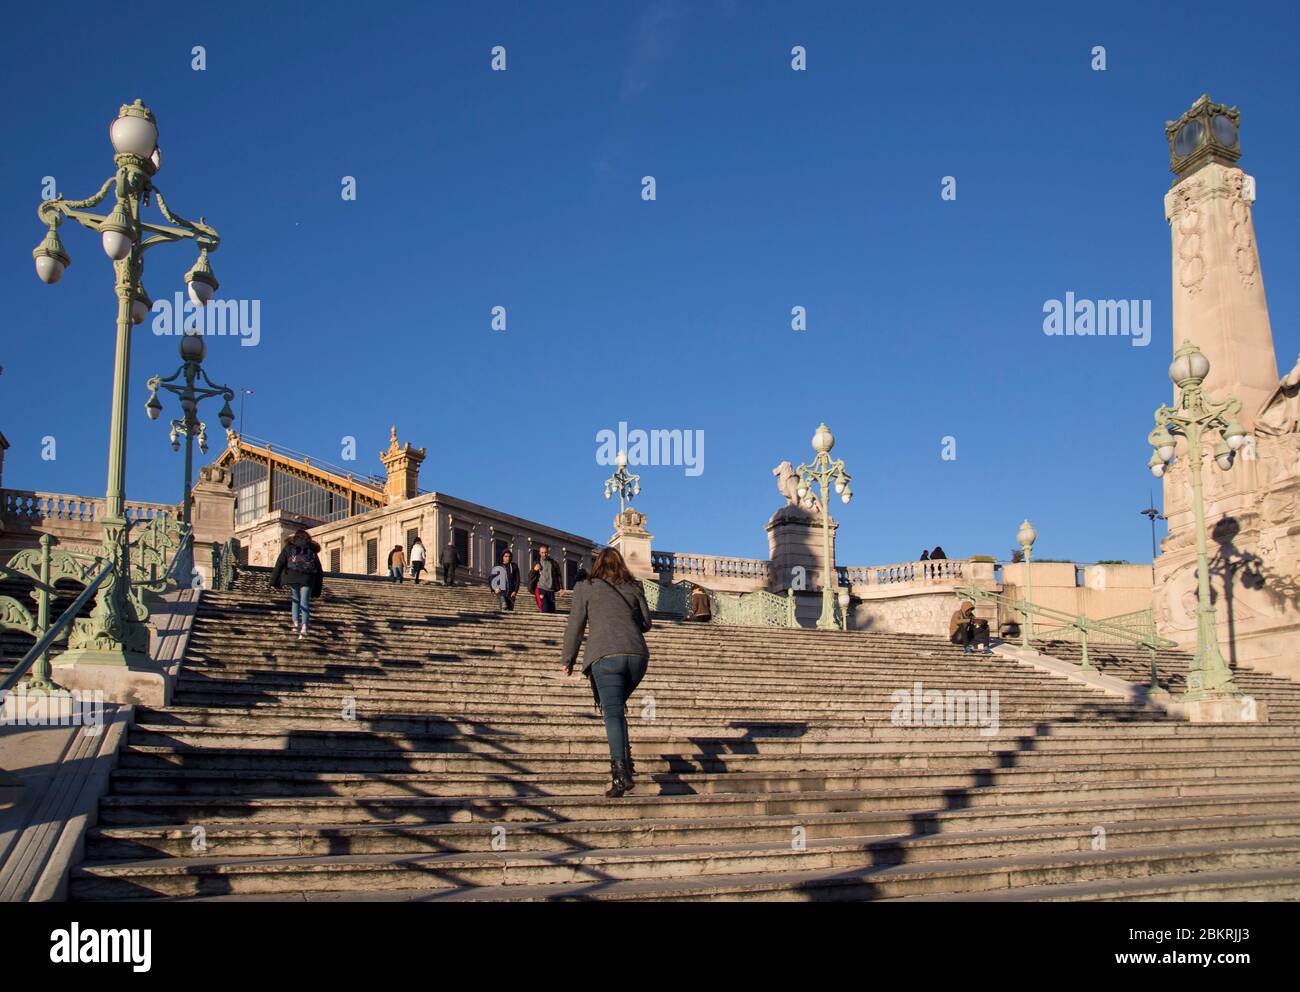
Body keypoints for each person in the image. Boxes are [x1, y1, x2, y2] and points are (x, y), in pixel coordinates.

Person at [561, 547, 653, 798]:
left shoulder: (586, 587)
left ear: (597, 565)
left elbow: (575, 625)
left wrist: (567, 659)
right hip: (637, 656)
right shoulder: (634, 586)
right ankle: (627, 762)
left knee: (612, 713)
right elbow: (647, 623)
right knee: (617, 709)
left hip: (605, 655)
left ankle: (621, 774)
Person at [271, 529, 323, 639]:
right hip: (308, 577)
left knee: (295, 599)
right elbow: (319, 570)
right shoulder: (311, 549)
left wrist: (273, 581)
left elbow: (279, 563)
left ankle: (295, 624)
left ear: (295, 537)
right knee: (305, 602)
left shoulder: (289, 547)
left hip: (292, 576)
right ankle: (304, 627)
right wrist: (317, 589)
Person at [529, 544, 562, 613]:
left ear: (548, 552)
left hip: (551, 590)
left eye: (546, 552)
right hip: (541, 588)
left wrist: (561, 588)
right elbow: (530, 575)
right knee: (545, 609)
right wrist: (534, 570)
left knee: (552, 611)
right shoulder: (536, 562)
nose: (544, 554)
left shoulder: (554, 563)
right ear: (539, 553)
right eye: (542, 553)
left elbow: (558, 575)